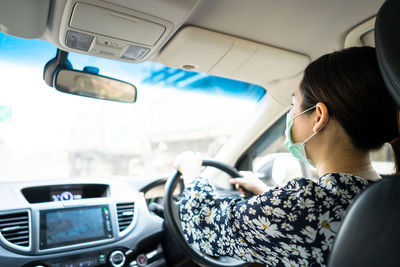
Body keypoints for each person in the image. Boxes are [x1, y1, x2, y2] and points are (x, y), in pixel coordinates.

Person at [173, 46, 400, 266]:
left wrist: (191, 171)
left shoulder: (300, 205)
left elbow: (203, 229)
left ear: (318, 117)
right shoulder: (386, 195)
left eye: (293, 105)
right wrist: (266, 195)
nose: (291, 115)